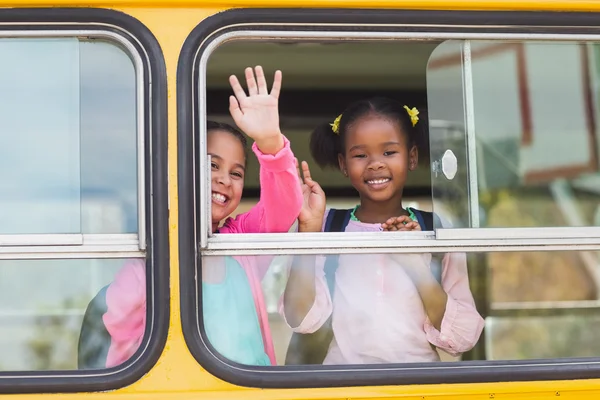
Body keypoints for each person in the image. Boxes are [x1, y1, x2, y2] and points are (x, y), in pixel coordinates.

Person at [82, 66, 302, 368]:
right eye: (212, 165)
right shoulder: (147, 264)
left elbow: (285, 206)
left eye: (236, 173)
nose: (225, 179)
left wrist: (270, 142)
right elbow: (112, 339)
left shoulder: (243, 242)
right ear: (183, 170)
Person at [282, 97, 484, 365]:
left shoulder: (436, 228)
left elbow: (462, 339)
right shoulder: (325, 225)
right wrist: (308, 231)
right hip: (339, 385)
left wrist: (415, 265)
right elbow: (299, 317)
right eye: (360, 155)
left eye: (389, 152)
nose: (375, 163)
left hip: (420, 386)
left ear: (411, 158)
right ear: (344, 164)